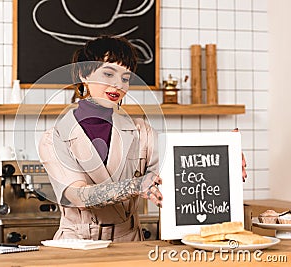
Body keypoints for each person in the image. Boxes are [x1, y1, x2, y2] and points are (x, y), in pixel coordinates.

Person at [38, 35, 246, 242]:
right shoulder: (54, 138)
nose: (118, 84)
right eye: (108, 74)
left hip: (129, 242)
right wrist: (136, 186)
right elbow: (79, 197)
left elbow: (178, 173)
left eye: (125, 78)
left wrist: (224, 160)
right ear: (84, 75)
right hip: (77, 244)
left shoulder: (141, 131)